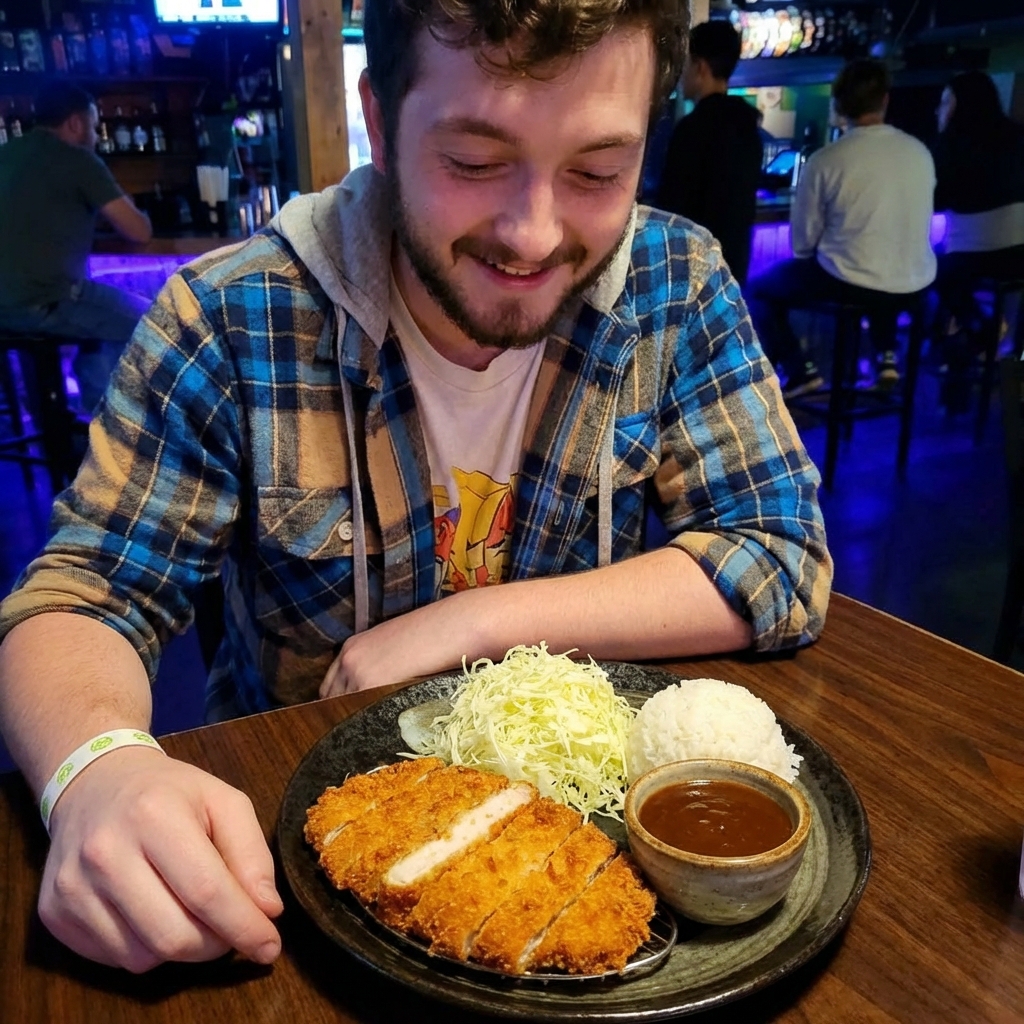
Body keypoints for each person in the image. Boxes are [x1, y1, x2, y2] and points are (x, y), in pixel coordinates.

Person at [0, 0, 831, 974]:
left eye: (597, 172)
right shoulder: (230, 315)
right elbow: (83, 594)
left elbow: (778, 556)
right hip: (293, 868)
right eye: (473, 161)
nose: (533, 234)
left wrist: (471, 621)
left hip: (579, 840)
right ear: (380, 120)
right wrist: (97, 769)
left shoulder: (673, 283)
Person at [747, 60, 936, 397]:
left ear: (838, 105)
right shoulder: (919, 151)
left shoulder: (827, 159)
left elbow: (802, 244)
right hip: (915, 283)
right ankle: (885, 356)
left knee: (758, 290)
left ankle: (800, 371)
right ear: (885, 99)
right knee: (875, 268)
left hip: (852, 282)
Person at [0, 82, 152, 412]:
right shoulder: (78, 160)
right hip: (48, 301)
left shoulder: (6, 153)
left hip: (4, 306)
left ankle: (67, 422)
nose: (96, 137)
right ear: (75, 123)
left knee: (101, 322)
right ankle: (110, 424)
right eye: (94, 127)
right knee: (155, 321)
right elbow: (138, 231)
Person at [932, 71, 1024, 411]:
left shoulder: (951, 143)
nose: (939, 110)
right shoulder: (1017, 136)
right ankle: (981, 341)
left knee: (928, 273)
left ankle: (978, 334)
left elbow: (936, 201)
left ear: (960, 105)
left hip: (971, 256)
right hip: (1019, 255)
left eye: (945, 102)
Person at [655, 19, 763, 285]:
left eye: (685, 64)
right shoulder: (748, 126)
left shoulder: (693, 129)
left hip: (695, 268)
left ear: (700, 67)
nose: (681, 75)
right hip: (733, 266)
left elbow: (673, 208)